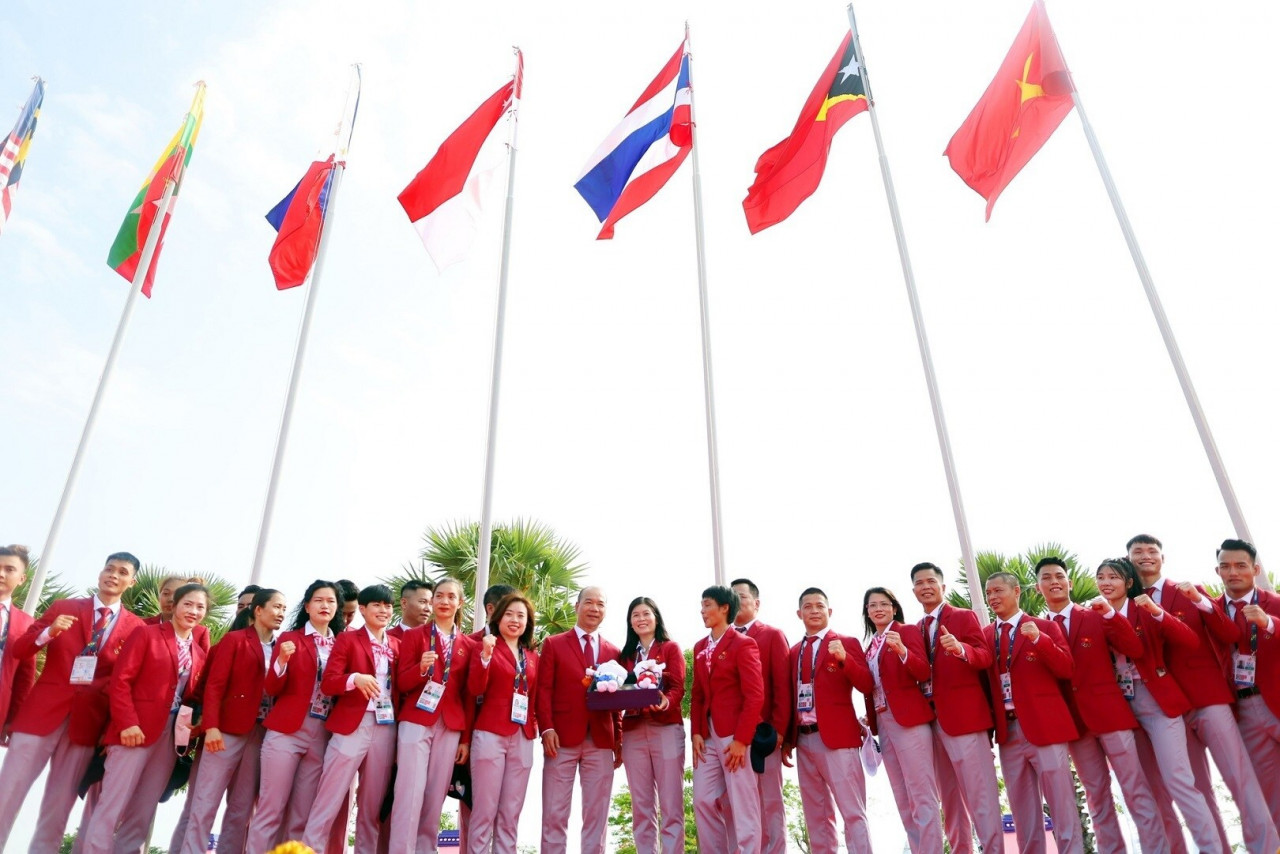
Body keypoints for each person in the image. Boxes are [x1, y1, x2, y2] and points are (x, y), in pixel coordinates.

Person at [1128, 534, 1279, 851]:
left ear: (1162, 557)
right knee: (1198, 789)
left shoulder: (1189, 591)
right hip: (1169, 710)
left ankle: (1265, 848)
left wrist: (1199, 600)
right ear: (1128, 559)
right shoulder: (1127, 604)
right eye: (1137, 552)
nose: (1145, 556)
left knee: (1241, 779)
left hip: (1208, 699)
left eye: (1151, 550)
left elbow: (1227, 631)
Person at [0, 552, 144, 852]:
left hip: (86, 724)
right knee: (7, 793)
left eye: (121, 572)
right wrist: (48, 633)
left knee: (58, 807)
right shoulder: (64, 607)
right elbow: (21, 649)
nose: (113, 576)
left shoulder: (136, 628)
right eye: (108, 569)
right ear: (100, 572)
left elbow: (125, 681)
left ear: (132, 581)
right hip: (40, 714)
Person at [1035, 557, 1166, 853]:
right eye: (1047, 577)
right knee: (1096, 798)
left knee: (1136, 791)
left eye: (1059, 576)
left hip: (1111, 716)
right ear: (1037, 586)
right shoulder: (1037, 628)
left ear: (1069, 583)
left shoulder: (1095, 614)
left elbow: (1134, 648)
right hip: (1074, 725)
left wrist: (1111, 615)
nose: (1054, 581)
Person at [1096, 557, 1221, 851]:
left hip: (1157, 702)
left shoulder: (1145, 608)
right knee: (1149, 791)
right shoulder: (1093, 615)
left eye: (1113, 577)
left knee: (1179, 782)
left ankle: (1211, 849)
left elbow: (1186, 640)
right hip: (1120, 708)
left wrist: (1157, 613)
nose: (1105, 583)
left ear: (1128, 583)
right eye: (1100, 577)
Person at [81, 582, 210, 854]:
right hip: (133, 730)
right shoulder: (146, 634)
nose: (193, 611)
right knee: (111, 807)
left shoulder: (199, 654)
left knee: (143, 809)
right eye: (188, 604)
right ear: (174, 605)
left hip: (170, 738)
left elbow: (192, 698)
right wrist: (127, 723)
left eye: (200, 607)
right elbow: (121, 682)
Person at [180, 588, 288, 853]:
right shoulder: (235, 640)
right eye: (276, 607)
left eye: (284, 609)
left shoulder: (283, 647)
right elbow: (215, 686)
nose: (281, 613)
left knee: (241, 809)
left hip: (261, 732)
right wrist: (212, 727)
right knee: (204, 803)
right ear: (258, 610)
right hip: (226, 731)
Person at [982, 572, 1083, 853]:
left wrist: (1040, 640)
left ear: (1016, 592)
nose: (992, 598)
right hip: (1008, 731)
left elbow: (1066, 668)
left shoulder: (1044, 627)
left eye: (998, 591)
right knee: (1022, 809)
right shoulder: (986, 635)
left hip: (1046, 727)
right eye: (988, 593)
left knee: (1061, 803)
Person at [908, 562, 1001, 854]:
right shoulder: (915, 628)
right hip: (931, 723)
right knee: (949, 801)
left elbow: (985, 656)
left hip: (965, 719)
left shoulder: (962, 617)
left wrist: (960, 649)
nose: (925, 587)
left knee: (980, 795)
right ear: (914, 591)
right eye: (919, 583)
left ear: (942, 587)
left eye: (931, 581)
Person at [246, 580, 346, 852]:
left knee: (302, 814)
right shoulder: (290, 639)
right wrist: (281, 662)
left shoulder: (342, 643)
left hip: (322, 733)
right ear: (307, 606)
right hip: (286, 731)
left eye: (331, 601)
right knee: (270, 809)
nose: (325, 605)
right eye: (319, 600)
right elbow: (272, 687)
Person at [302, 584, 400, 853]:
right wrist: (354, 679)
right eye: (377, 605)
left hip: (385, 727)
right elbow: (329, 683)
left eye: (388, 606)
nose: (383, 610)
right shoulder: (347, 639)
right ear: (363, 609)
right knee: (328, 799)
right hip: (351, 727)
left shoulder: (396, 645)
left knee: (371, 806)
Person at [776, 587, 873, 854]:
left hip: (838, 740)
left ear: (829, 611)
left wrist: (845, 659)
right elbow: (788, 697)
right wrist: (787, 740)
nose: (814, 611)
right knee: (816, 818)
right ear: (799, 613)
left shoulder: (847, 642)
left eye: (820, 606)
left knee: (852, 812)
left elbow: (866, 684)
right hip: (804, 741)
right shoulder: (793, 651)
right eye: (808, 606)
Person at [391, 579, 476, 854]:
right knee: (408, 792)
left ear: (460, 603)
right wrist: (420, 668)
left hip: (450, 725)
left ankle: (426, 850)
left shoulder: (467, 644)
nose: (444, 601)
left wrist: (465, 739)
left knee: (435, 795)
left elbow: (467, 694)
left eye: (451, 597)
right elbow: (402, 683)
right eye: (439, 596)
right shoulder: (415, 636)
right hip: (417, 719)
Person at [537, 586, 622, 854]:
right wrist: (547, 728)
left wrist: (618, 740)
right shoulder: (554, 643)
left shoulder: (614, 651)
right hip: (560, 738)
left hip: (600, 740)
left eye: (600, 604)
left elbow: (617, 703)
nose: (594, 609)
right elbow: (544, 689)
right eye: (589, 602)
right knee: (554, 813)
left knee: (597, 816)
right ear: (577, 606)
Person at [860, 587, 941, 854]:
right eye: (873, 606)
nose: (878, 609)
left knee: (922, 794)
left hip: (910, 720)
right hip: (883, 723)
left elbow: (922, 670)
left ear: (894, 608)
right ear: (867, 612)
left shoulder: (905, 632)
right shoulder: (870, 645)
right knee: (902, 797)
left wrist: (902, 650)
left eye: (884, 604)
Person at [691, 584, 764, 854]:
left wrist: (742, 740)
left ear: (724, 608)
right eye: (701, 605)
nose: (702, 610)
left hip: (735, 736)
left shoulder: (744, 644)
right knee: (702, 800)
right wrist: (696, 731)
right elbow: (697, 693)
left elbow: (755, 696)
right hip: (707, 737)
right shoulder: (700, 647)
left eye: (707, 604)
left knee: (743, 803)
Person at [1212, 538, 1280, 820]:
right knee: (1268, 794)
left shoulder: (1274, 603)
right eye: (1225, 566)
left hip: (1275, 698)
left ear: (1255, 569)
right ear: (1218, 572)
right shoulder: (1209, 611)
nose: (1233, 572)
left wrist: (1269, 623)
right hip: (1243, 710)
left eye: (1241, 565)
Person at [467, 592, 539, 854]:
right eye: (509, 614)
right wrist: (485, 655)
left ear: (528, 622)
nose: (515, 620)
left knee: (511, 812)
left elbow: (537, 696)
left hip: (523, 735)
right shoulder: (485, 646)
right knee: (484, 810)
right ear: (497, 617)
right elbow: (475, 688)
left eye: (521, 616)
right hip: (490, 734)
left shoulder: (531, 655)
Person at [617, 596, 686, 854]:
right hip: (633, 730)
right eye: (636, 615)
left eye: (646, 613)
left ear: (656, 617)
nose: (641, 619)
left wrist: (666, 701)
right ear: (630, 623)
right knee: (641, 805)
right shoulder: (624, 656)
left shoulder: (670, 648)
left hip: (665, 727)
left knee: (671, 803)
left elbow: (678, 687)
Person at [729, 578, 790, 854]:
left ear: (756, 603)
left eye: (742, 596)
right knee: (742, 804)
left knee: (770, 801)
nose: (737, 601)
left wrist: (779, 731)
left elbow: (782, 685)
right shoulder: (722, 638)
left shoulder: (772, 634)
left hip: (765, 734)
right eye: (732, 597)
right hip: (732, 736)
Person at [0, 545, 36, 746]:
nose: (1, 574)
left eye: (9, 569)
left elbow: (24, 678)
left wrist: (13, 720)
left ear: (22, 579)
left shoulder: (26, 624)